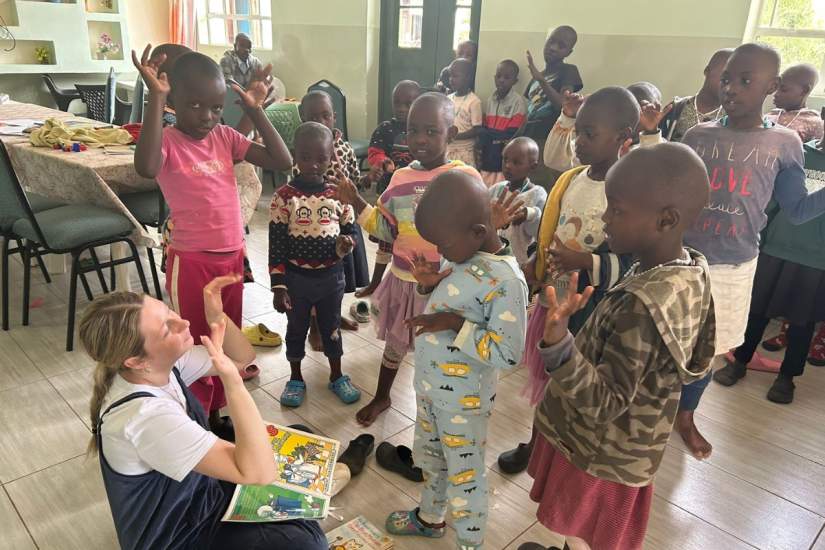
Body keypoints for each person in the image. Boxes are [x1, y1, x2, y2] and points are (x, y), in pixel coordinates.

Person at [520, 143, 716, 550]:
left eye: (617, 210)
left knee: (584, 529)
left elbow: (605, 403)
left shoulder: (642, 308)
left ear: (666, 219)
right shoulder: (687, 269)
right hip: (625, 447)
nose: (605, 218)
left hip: (601, 454)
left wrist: (559, 345)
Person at [80, 275, 326, 550]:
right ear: (137, 361)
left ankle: (298, 514)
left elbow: (243, 358)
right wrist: (233, 384)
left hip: (201, 493)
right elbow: (260, 473)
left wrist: (217, 316)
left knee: (302, 441)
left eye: (168, 311)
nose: (183, 323)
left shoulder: (159, 365)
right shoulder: (146, 417)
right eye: (167, 329)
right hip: (180, 535)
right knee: (305, 543)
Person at [132, 46, 292, 436]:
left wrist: (256, 110)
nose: (207, 116)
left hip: (231, 259)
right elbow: (146, 167)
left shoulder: (224, 137)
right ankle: (195, 417)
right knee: (194, 341)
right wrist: (155, 99)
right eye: (196, 105)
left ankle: (216, 413)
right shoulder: (167, 141)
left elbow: (282, 160)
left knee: (224, 339)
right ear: (174, 100)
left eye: (216, 108)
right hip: (192, 261)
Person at [677, 43, 825, 460]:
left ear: (771, 86)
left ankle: (685, 416)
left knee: (707, 352)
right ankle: (650, 407)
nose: (731, 88)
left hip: (734, 267)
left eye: (746, 80)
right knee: (666, 338)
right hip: (682, 260)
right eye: (727, 79)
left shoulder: (784, 142)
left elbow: (796, 210)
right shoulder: (698, 135)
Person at [384, 170, 528, 550]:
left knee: (465, 478)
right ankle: (430, 519)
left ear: (478, 232)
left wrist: (454, 323)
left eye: (443, 244)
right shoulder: (465, 253)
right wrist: (428, 285)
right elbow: (454, 299)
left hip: (464, 404)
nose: (440, 251)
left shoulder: (507, 281)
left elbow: (508, 353)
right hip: (431, 390)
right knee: (431, 460)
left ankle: (470, 542)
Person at [498, 87, 639, 474]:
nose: (579, 141)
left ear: (623, 136)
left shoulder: (627, 192)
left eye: (590, 134)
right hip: (555, 298)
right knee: (548, 378)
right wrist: (535, 261)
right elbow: (550, 230)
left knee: (572, 381)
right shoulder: (571, 180)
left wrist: (585, 261)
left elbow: (629, 263)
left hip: (589, 310)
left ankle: (561, 453)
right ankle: (536, 444)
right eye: (578, 132)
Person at [332, 92, 482, 427]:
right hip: (405, 283)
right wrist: (357, 201)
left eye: (431, 131)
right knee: (396, 343)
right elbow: (386, 229)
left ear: (451, 133)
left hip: (448, 288)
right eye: (413, 130)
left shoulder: (466, 178)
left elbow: (478, 231)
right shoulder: (400, 179)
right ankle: (383, 395)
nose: (420, 139)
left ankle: (442, 405)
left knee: (444, 348)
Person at [714, 137, 825, 402]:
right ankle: (740, 361)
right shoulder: (798, 153)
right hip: (774, 248)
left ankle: (787, 378)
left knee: (801, 323)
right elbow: (771, 199)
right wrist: (758, 237)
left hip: (816, 260)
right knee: (755, 312)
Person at [270, 122, 361, 408]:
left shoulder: (338, 194)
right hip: (296, 280)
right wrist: (278, 286)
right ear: (295, 155)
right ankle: (295, 378)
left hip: (331, 278)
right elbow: (277, 245)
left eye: (321, 158)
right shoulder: (284, 197)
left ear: (331, 156)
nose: (313, 164)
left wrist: (347, 242)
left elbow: (351, 230)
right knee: (296, 328)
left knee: (331, 326)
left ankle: (337, 375)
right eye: (306, 157)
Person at [295, 90, 369, 337]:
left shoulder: (345, 148)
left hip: (344, 221)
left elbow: (355, 180)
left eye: (325, 115)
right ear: (302, 117)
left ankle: (333, 317)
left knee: (341, 275)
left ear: (334, 117)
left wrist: (369, 179)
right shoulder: (302, 151)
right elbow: (295, 188)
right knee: (318, 276)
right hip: (316, 226)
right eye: (313, 117)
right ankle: (316, 326)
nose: (320, 121)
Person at [360, 80, 422, 299]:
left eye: (408, 103)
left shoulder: (420, 131)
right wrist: (382, 162)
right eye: (397, 103)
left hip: (415, 199)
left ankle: (411, 284)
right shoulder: (385, 129)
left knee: (411, 239)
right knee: (385, 242)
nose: (402, 108)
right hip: (389, 196)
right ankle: (375, 283)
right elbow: (375, 151)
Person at [542, 83, 665, 174]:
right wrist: (567, 117)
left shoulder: (657, 147)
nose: (637, 114)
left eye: (646, 109)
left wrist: (651, 133)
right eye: (626, 105)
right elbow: (554, 161)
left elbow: (654, 177)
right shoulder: (599, 142)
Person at [523, 25, 583, 189]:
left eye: (561, 45)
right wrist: (514, 139)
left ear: (569, 52)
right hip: (529, 140)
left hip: (550, 142)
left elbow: (563, 105)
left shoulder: (568, 71)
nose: (553, 48)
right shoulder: (536, 76)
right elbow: (530, 114)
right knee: (527, 189)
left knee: (545, 188)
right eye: (551, 42)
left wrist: (541, 80)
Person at [488, 137, 546, 265]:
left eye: (516, 162)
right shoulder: (496, 189)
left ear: (532, 166)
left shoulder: (537, 194)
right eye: (505, 159)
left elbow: (540, 232)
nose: (508, 166)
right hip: (493, 257)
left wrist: (530, 214)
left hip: (519, 261)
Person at [660, 48, 734, 142]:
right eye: (725, 76)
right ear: (707, 71)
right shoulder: (676, 108)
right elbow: (658, 146)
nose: (729, 84)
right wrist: (652, 131)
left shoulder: (732, 117)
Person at [479, 59, 528, 186]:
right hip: (489, 151)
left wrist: (491, 135)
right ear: (494, 78)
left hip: (504, 150)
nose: (501, 80)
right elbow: (485, 127)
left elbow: (512, 133)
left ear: (514, 81)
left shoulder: (518, 102)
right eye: (499, 76)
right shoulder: (491, 99)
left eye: (506, 77)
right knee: (484, 183)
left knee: (501, 184)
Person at [765, 63, 824, 144]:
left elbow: (816, 150)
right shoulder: (770, 115)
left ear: (804, 90)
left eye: (784, 90)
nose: (776, 94)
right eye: (777, 88)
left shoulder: (814, 123)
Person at [447, 58, 483, 168]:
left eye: (455, 76)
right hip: (449, 149)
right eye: (450, 76)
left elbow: (477, 130)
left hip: (465, 151)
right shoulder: (448, 99)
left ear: (468, 78)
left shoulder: (474, 101)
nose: (451, 79)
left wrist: (456, 136)